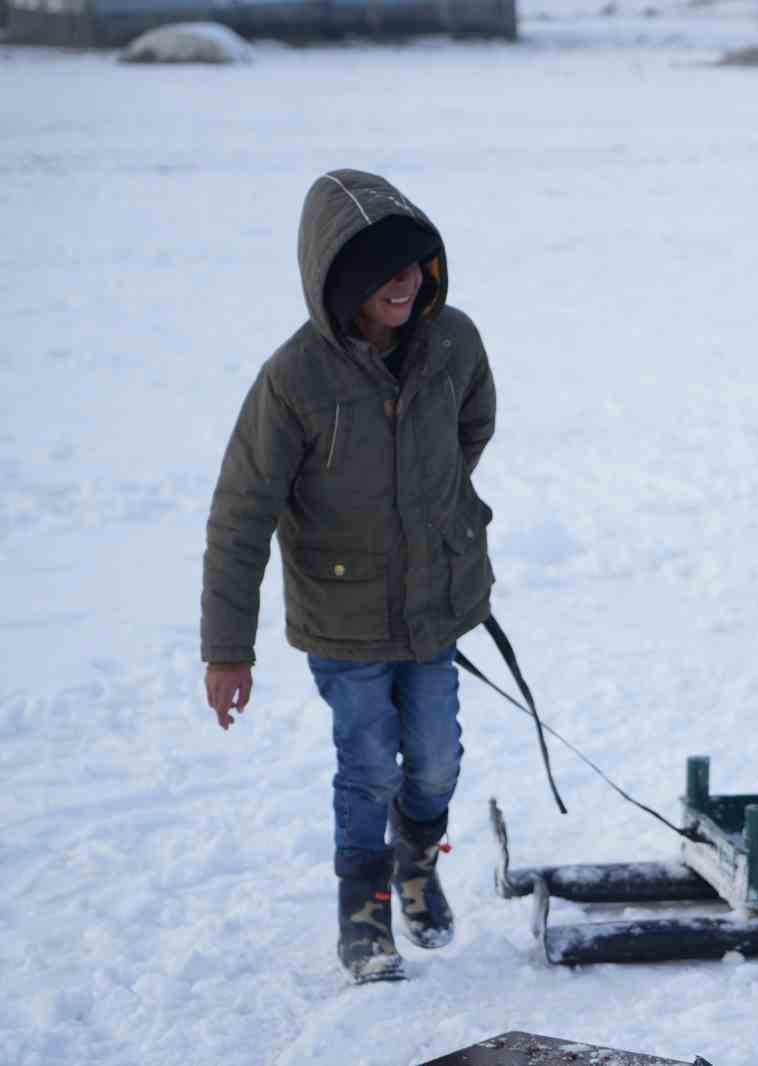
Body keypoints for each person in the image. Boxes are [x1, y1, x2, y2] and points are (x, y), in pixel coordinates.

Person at [201, 169, 497, 985]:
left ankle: (416, 862)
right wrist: (229, 650)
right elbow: (240, 515)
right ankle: (362, 911)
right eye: (380, 271)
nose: (402, 283)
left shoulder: (455, 342)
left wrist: (431, 513)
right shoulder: (295, 379)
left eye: (412, 264)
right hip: (344, 617)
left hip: (434, 604)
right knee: (368, 764)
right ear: (336, 280)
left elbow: (474, 426)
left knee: (435, 762)